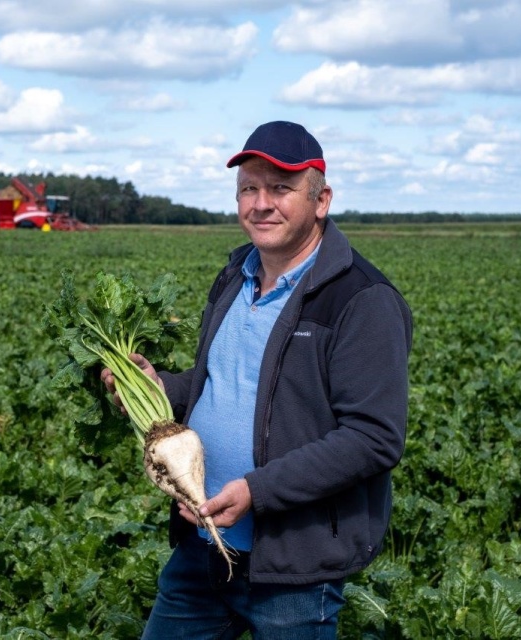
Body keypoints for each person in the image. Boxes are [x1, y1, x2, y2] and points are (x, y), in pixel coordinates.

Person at [102, 120, 413, 638]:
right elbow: (217, 388)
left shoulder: (362, 300)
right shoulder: (234, 277)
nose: (260, 203)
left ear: (321, 200)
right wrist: (159, 388)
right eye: (248, 187)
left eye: (280, 187)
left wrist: (257, 490)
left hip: (293, 569)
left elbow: (374, 438)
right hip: (200, 548)